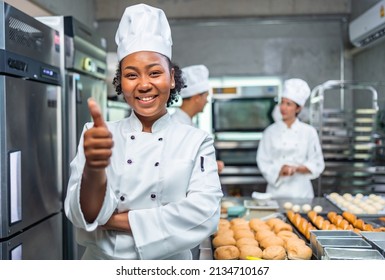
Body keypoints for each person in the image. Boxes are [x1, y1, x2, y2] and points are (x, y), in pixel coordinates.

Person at [64, 3, 223, 260]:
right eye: (131, 75)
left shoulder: (196, 140)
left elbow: (205, 215)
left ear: (171, 78)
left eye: (155, 72)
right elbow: (81, 216)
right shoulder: (96, 135)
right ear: (121, 81)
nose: (144, 84)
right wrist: (93, 169)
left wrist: (116, 221)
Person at [256, 78, 325, 198]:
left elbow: (317, 163)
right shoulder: (270, 132)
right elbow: (262, 161)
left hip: (301, 193)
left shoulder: (309, 132)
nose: (283, 107)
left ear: (298, 108)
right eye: (282, 102)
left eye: (288, 104)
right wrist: (279, 171)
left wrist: (297, 168)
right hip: (275, 192)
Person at [171, 64, 225, 173]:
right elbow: (177, 166)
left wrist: (210, 164)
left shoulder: (189, 124)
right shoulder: (175, 125)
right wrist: (210, 166)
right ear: (196, 97)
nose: (207, 101)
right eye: (206, 96)